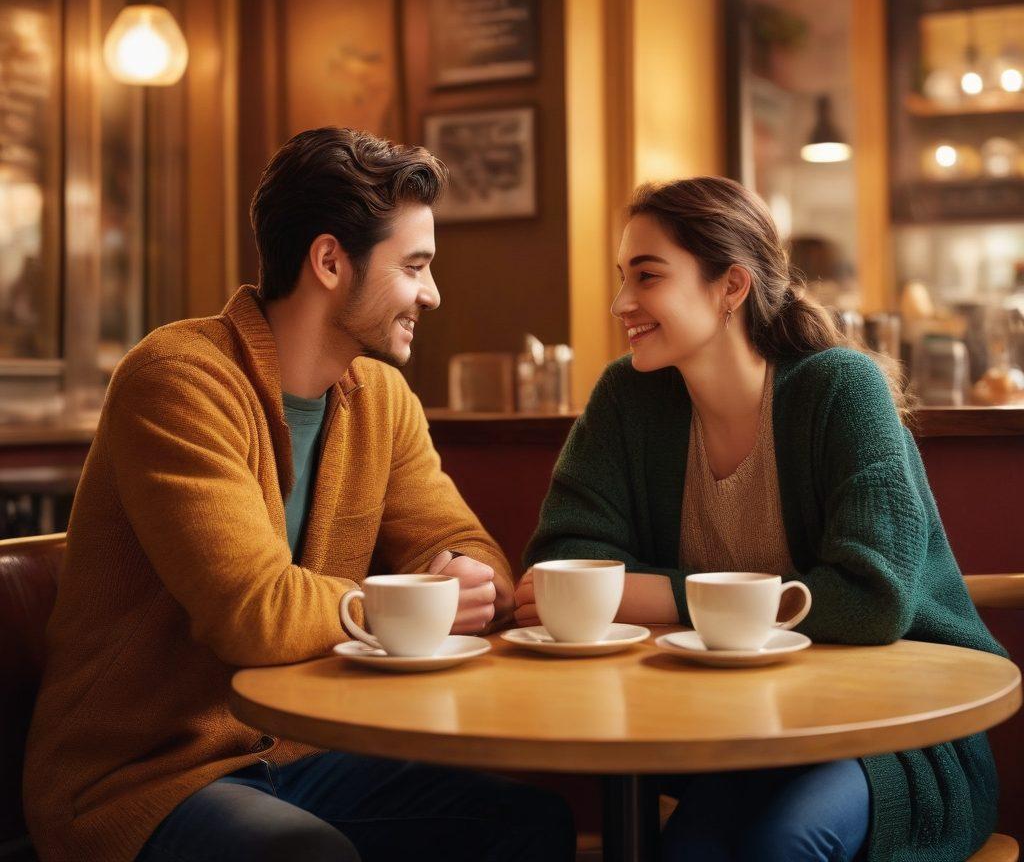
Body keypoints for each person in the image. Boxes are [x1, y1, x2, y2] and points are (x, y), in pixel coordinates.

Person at [24, 127, 576, 862]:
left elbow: (469, 551)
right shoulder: (175, 380)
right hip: (143, 777)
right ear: (328, 260)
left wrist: (470, 578)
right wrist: (416, 599)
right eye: (415, 266)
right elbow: (253, 613)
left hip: (301, 756)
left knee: (528, 822)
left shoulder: (382, 398)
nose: (432, 294)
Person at [515, 176, 1005, 862]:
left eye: (647, 277)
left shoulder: (841, 390)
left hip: (891, 733)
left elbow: (871, 601)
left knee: (785, 843)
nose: (620, 303)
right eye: (623, 278)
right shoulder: (629, 397)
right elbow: (563, 566)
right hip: (738, 732)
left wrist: (662, 593)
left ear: (731, 288)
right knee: (686, 852)